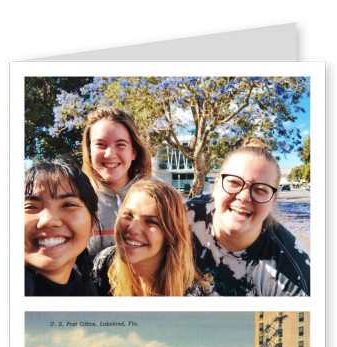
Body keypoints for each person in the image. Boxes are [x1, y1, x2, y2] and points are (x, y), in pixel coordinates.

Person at [187, 137, 310, 296]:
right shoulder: (183, 217)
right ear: (216, 186)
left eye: (260, 189)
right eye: (234, 183)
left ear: (273, 201)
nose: (244, 197)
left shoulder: (292, 274)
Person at [92, 180, 205, 296]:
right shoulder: (103, 264)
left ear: (171, 234)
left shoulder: (190, 293)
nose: (132, 229)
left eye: (151, 222)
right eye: (128, 215)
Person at [82, 106, 152, 257]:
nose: (110, 154)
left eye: (120, 144)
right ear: (89, 151)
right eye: (100, 144)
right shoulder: (77, 200)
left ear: (133, 152)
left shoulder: (157, 197)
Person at [25, 158, 100, 296]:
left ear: (93, 224)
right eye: (30, 207)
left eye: (68, 205)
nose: (48, 220)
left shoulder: (87, 291)